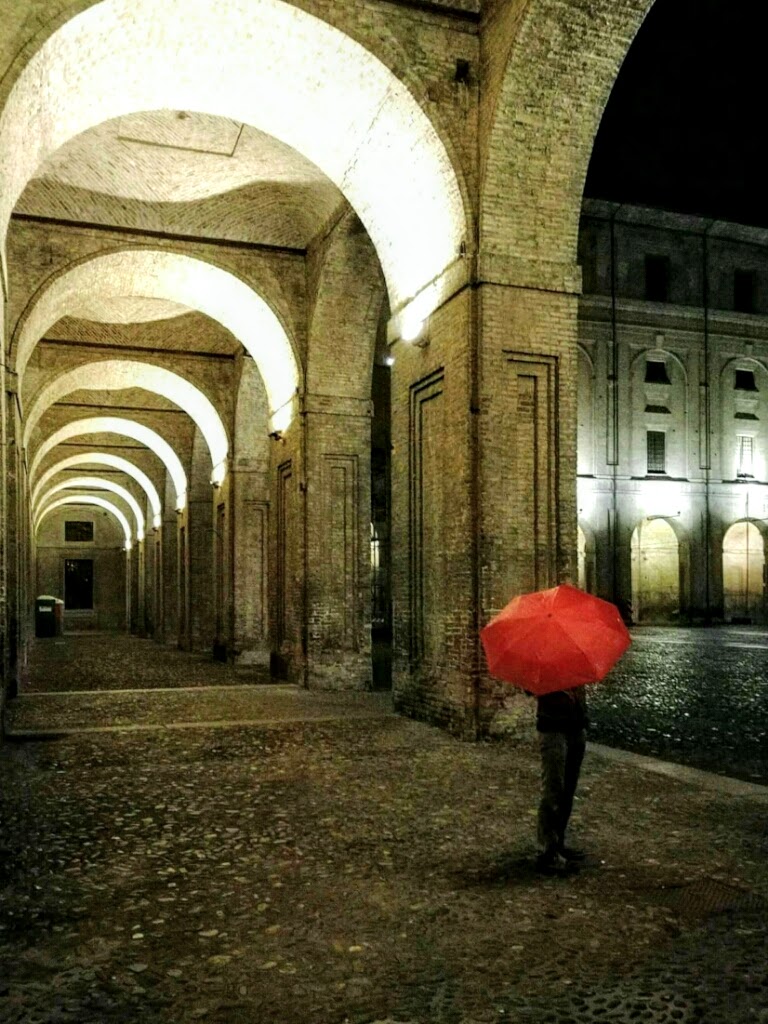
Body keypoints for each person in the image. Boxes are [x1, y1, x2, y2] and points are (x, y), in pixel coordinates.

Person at [535, 684, 588, 875]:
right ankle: (547, 851)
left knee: (568, 789)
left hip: (576, 726)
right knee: (553, 788)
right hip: (553, 728)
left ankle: (559, 842)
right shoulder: (543, 660)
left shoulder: (573, 660)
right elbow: (530, 688)